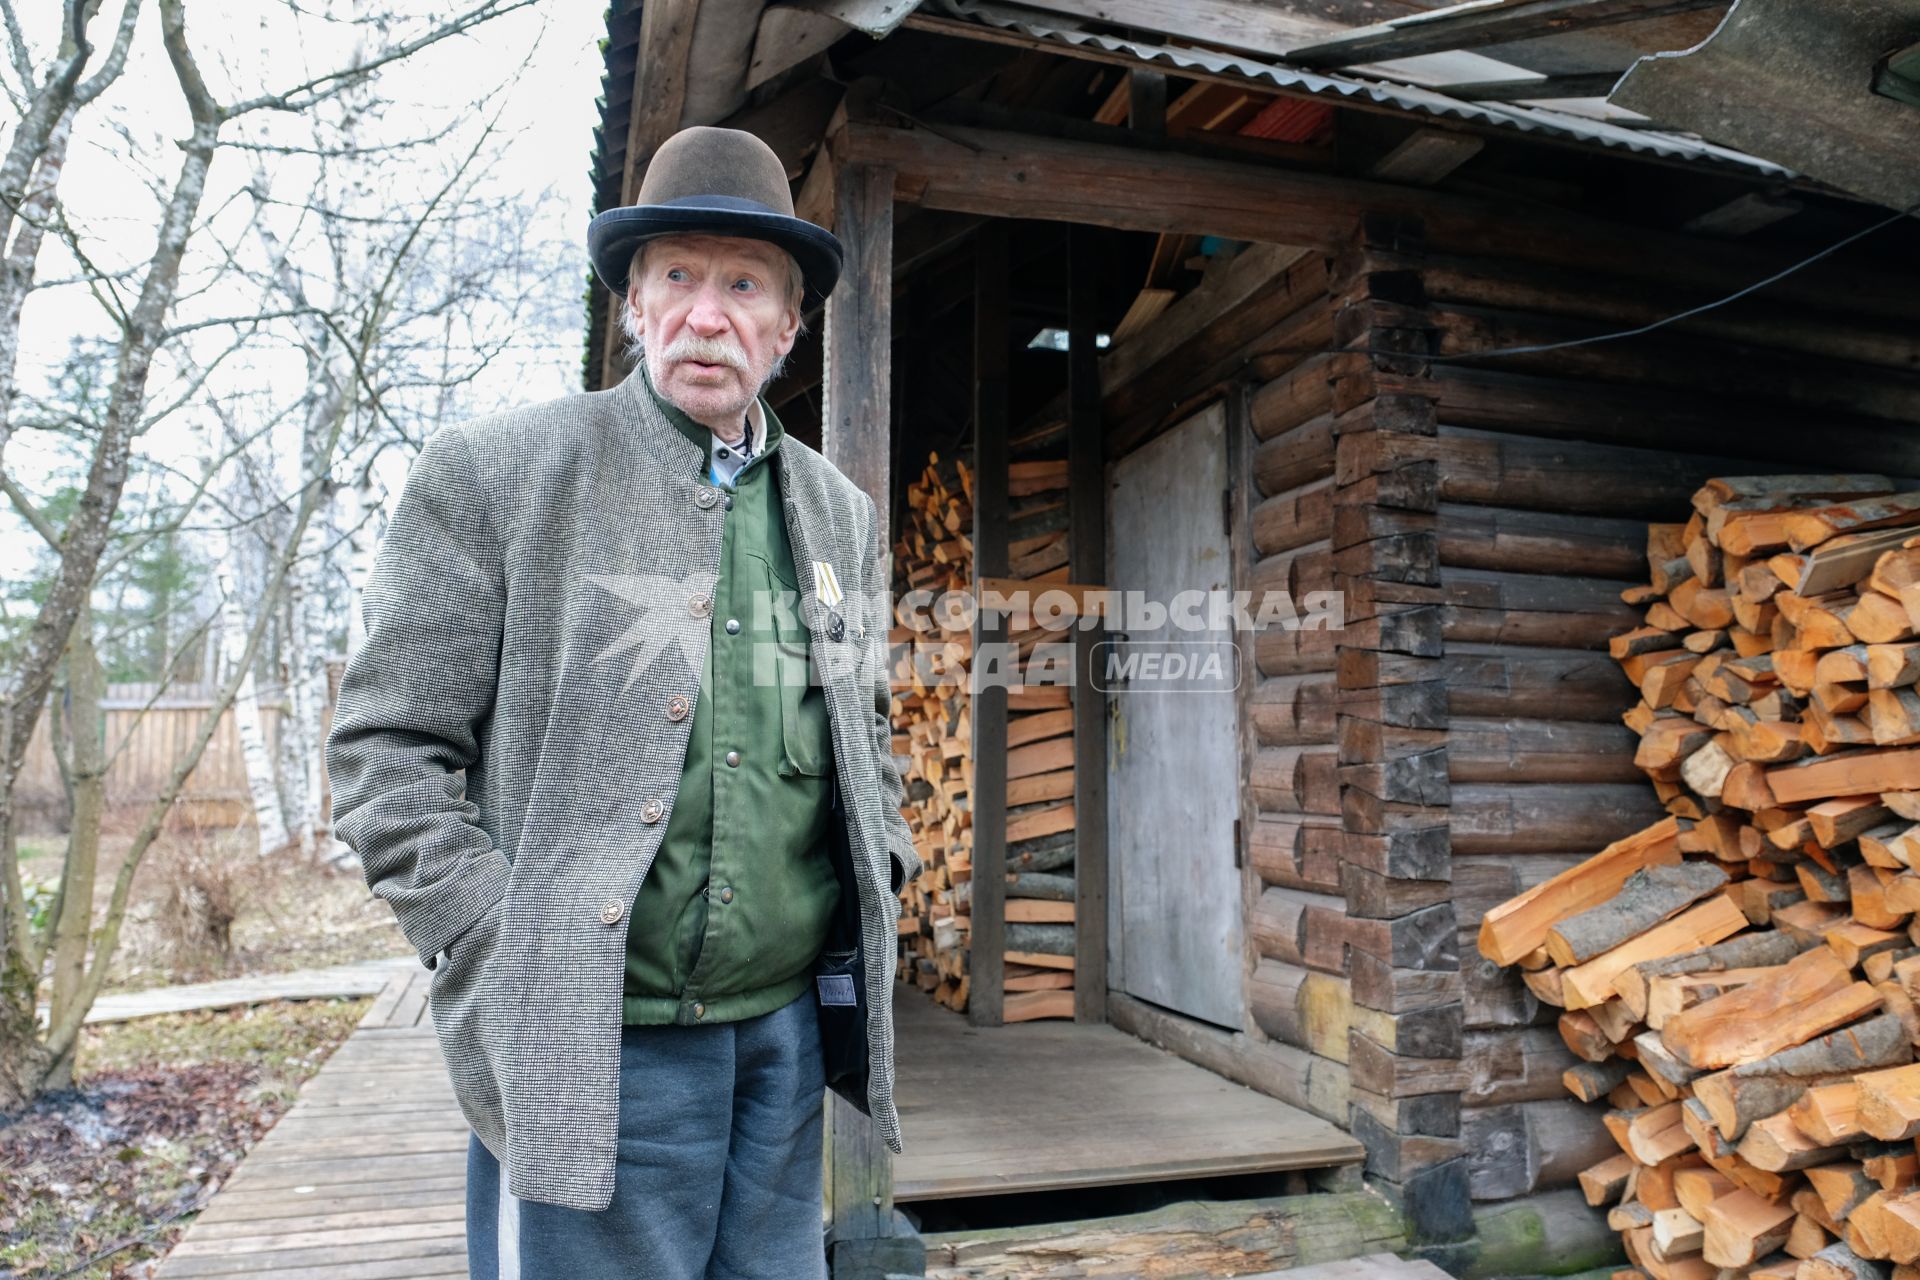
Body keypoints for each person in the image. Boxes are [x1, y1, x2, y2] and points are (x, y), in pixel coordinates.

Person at [323, 124, 924, 1280]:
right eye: (679, 278)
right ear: (635, 307)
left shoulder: (841, 512)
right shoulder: (498, 475)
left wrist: (882, 858)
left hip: (786, 1043)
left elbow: (870, 725)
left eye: (745, 284)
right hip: (585, 1040)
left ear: (789, 327)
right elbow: (384, 747)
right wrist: (495, 936)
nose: (711, 314)